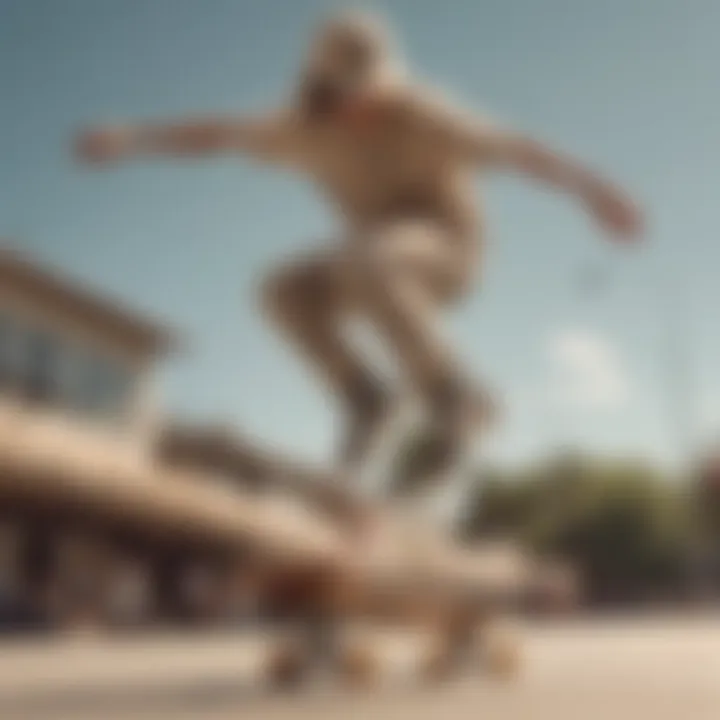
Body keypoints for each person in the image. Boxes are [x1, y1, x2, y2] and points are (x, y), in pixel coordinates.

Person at [75, 9, 643, 483]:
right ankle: (365, 399)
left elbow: (516, 150)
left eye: (378, 90)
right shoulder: (299, 129)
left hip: (448, 254)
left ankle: (454, 397)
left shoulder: (424, 113)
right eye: (359, 96)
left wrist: (595, 191)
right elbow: (216, 134)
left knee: (374, 255)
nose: (373, 104)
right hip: (370, 265)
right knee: (281, 291)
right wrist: (132, 138)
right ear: (325, 91)